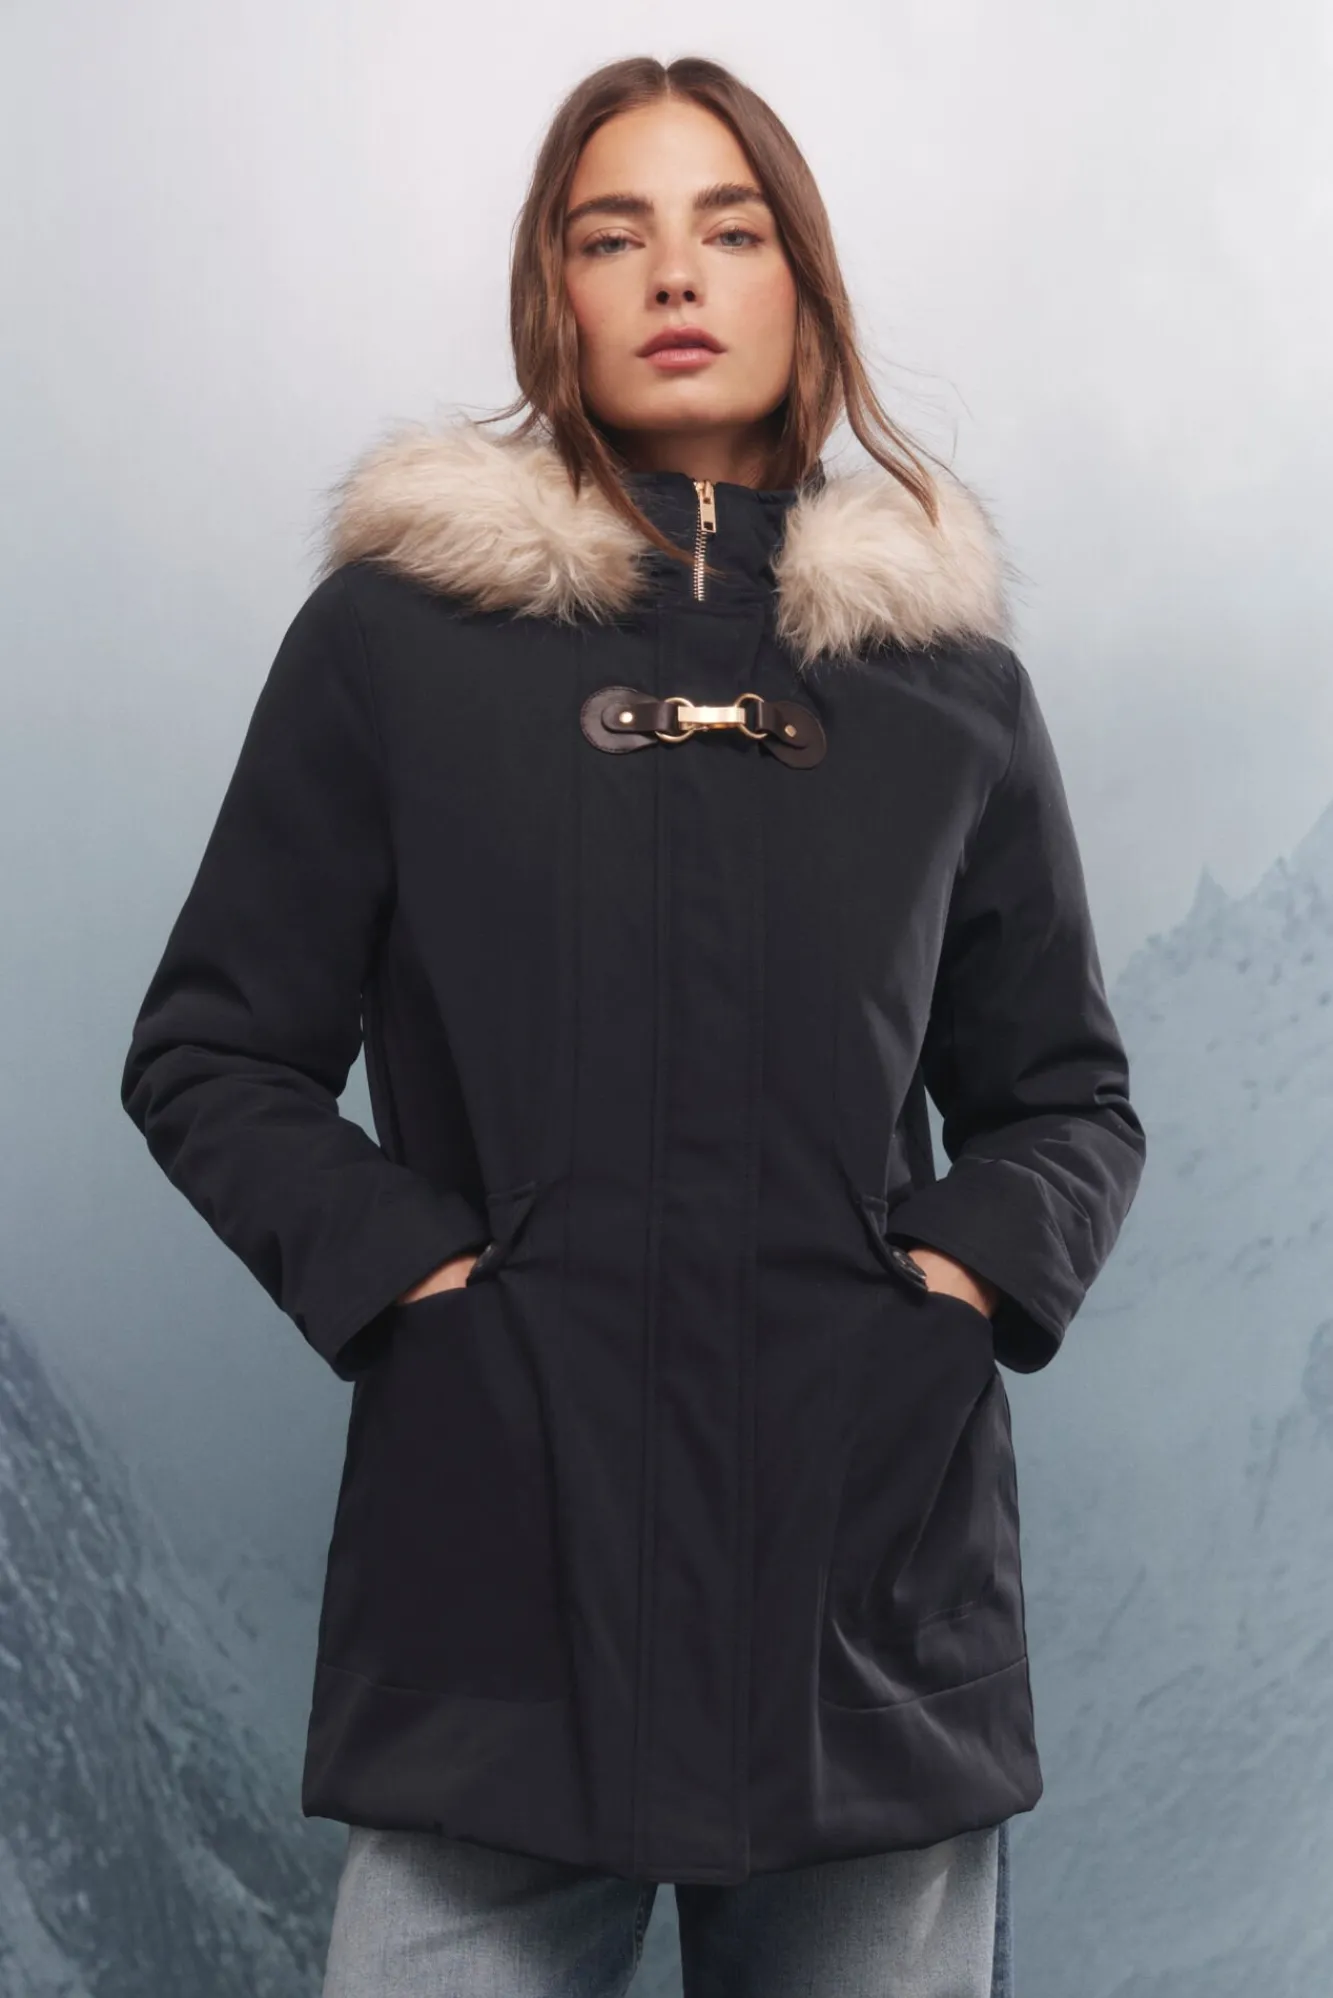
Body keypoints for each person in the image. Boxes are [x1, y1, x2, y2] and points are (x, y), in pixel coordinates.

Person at [120, 53, 1145, 1998]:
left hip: (871, 1595)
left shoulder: (946, 694)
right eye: (616, 234)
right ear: (556, 295)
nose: (676, 271)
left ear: (803, 288)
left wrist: (942, 1294)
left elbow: (1065, 1100)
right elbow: (209, 1050)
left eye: (729, 229)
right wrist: (422, 1288)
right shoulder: (393, 647)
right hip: (498, 1583)